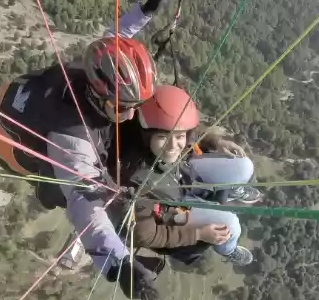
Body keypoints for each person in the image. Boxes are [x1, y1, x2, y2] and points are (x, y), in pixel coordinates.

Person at [0, 0, 178, 299]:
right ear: (98, 97)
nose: (130, 113)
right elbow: (85, 205)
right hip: (17, 146)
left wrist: (147, 8)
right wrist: (119, 265)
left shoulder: (92, 68)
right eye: (122, 107)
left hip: (24, 100)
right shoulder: (71, 140)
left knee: (124, 138)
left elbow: (115, 37)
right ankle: (126, 234)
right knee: (104, 192)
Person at [109, 84, 258, 269]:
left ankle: (233, 189)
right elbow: (145, 235)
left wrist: (216, 142)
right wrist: (198, 234)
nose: (173, 146)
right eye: (163, 137)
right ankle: (228, 249)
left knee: (244, 166)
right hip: (172, 206)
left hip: (183, 172)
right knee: (231, 226)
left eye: (179, 136)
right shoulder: (137, 180)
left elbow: (186, 131)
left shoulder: (160, 129)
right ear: (148, 136)